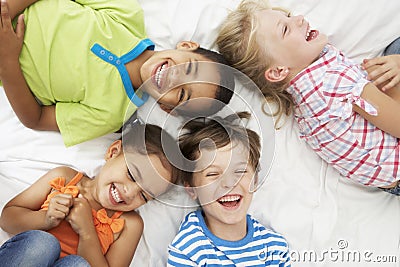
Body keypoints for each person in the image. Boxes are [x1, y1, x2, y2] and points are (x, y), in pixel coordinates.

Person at [216, 0, 400, 195]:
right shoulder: (333, 81)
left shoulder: (305, 97)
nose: (299, 19)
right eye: (285, 29)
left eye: (288, 17)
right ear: (279, 71)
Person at [0, 0, 234, 147]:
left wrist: (8, 61)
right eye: (188, 68)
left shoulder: (109, 115)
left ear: (167, 108)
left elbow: (36, 118)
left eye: (182, 94)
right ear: (186, 46)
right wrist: (5, 12)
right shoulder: (126, 14)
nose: (175, 78)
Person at [0, 118, 180, 266]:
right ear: (113, 152)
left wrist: (87, 232)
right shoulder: (64, 178)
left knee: (78, 265)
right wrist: (45, 219)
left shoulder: (129, 224)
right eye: (132, 175)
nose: (130, 192)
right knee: (43, 244)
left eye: (144, 195)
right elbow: (7, 218)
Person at [167, 112, 291, 266]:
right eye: (212, 174)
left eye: (240, 171)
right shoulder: (189, 249)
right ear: (192, 189)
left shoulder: (275, 248)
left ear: (255, 180)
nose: (229, 183)